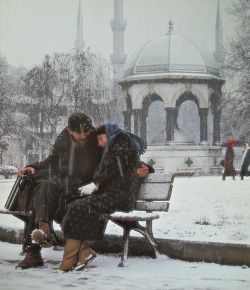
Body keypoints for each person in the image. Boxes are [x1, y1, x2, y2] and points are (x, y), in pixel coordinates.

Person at [15, 113, 150, 270]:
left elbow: (120, 157)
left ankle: (40, 245)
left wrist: (146, 167)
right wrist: (35, 167)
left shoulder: (96, 139)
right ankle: (41, 235)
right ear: (70, 131)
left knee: (52, 204)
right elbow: (52, 160)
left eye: (86, 131)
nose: (84, 135)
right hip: (66, 187)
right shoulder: (63, 141)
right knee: (44, 187)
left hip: (86, 189)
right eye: (79, 132)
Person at [59, 123, 154, 272]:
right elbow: (130, 162)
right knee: (76, 206)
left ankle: (71, 260)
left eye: (100, 139)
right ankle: (80, 254)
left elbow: (115, 164)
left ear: (109, 134)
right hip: (112, 195)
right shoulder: (117, 146)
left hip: (121, 197)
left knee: (82, 206)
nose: (100, 143)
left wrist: (96, 183)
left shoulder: (122, 142)